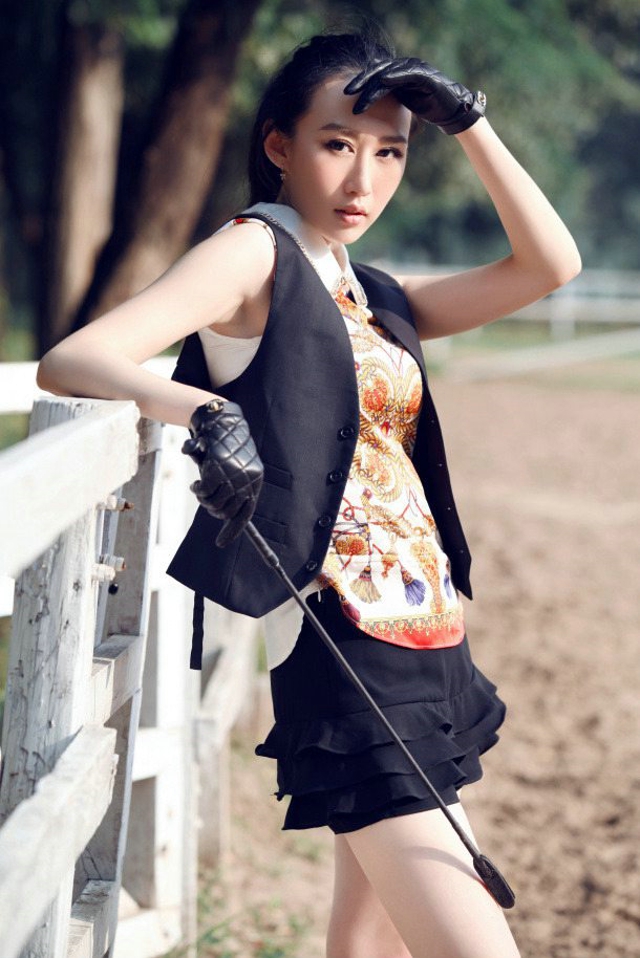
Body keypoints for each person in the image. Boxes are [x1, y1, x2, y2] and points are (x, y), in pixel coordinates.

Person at [37, 31, 581, 958]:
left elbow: (548, 267)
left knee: (367, 943)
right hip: (341, 640)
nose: (363, 179)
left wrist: (469, 123)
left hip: (423, 630)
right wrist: (207, 410)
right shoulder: (253, 253)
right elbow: (73, 358)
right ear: (279, 145)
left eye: (391, 152)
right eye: (337, 143)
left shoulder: (369, 290)